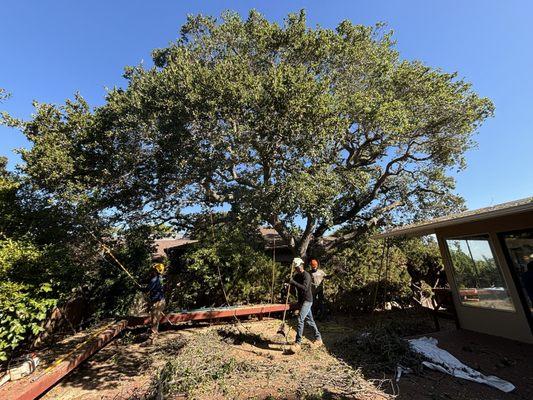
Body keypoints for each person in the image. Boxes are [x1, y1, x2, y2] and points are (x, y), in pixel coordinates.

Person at [287, 257, 322, 353]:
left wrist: (293, 282)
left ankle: (298, 343)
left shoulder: (307, 275)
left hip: (307, 300)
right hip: (301, 301)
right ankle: (318, 339)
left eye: (297, 267)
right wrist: (288, 282)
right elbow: (293, 284)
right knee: (310, 321)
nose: (296, 269)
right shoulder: (297, 276)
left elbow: (305, 288)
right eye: (295, 268)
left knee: (300, 319)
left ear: (301, 266)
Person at [143, 262, 166, 345]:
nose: (151, 271)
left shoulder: (154, 280)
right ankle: (151, 335)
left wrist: (140, 288)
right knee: (154, 319)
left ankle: (151, 339)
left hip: (158, 303)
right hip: (160, 302)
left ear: (156, 271)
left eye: (153, 270)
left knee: (154, 321)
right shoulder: (160, 278)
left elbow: (146, 290)